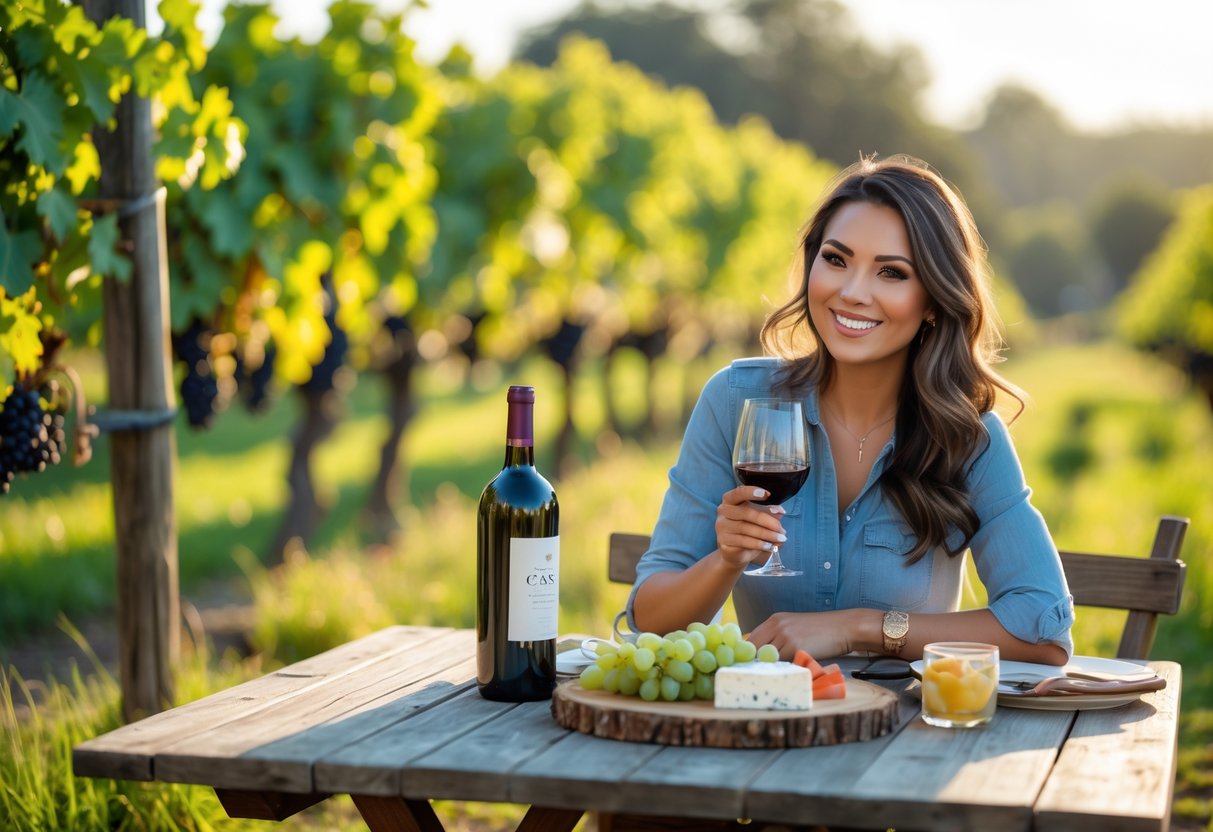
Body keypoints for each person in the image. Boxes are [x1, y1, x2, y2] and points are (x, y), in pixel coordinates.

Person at [627, 154, 1073, 665]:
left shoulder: (968, 436)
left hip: (908, 736)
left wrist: (856, 628)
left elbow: (1044, 627)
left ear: (932, 301)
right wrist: (725, 560)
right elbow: (649, 621)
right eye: (836, 260)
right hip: (765, 725)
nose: (852, 293)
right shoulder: (735, 401)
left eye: (891, 272)